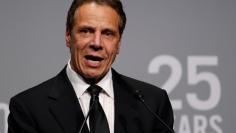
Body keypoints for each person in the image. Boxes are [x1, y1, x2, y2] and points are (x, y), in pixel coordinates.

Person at [8, 0, 174, 133]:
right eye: (86, 31)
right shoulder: (28, 108)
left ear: (118, 44)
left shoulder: (152, 103)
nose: (96, 43)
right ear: (68, 36)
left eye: (108, 33)